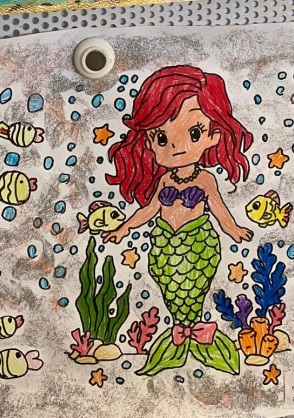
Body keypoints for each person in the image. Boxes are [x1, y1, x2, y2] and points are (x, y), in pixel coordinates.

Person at [104, 64, 253, 375]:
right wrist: (123, 228)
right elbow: (149, 210)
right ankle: (180, 335)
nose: (175, 146)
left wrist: (234, 229)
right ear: (148, 141)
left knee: (192, 291)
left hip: (198, 244)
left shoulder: (205, 180)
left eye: (193, 132)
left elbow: (219, 209)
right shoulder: (164, 182)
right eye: (161, 137)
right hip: (164, 245)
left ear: (212, 136)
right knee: (172, 290)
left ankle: (193, 334)